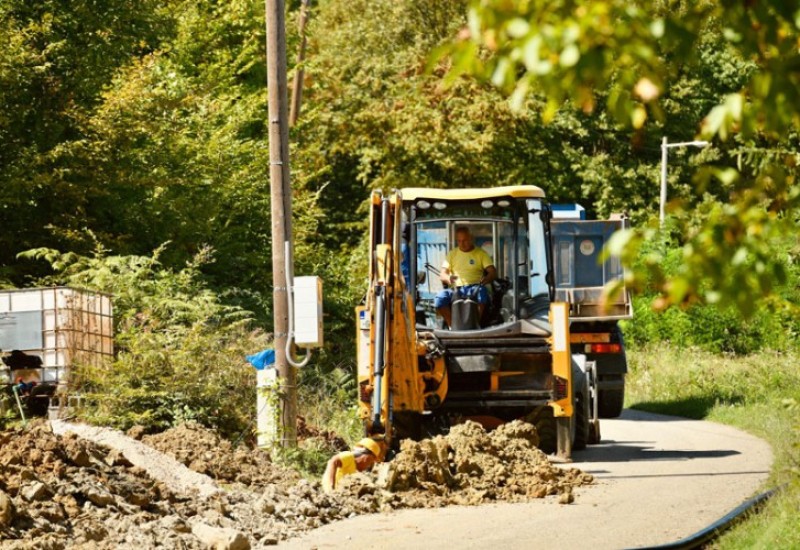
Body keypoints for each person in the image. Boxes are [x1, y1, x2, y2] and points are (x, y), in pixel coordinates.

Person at [435, 226, 497, 327]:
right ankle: (452, 326)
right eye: (459, 241)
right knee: (440, 298)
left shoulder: (481, 254)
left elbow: (492, 272)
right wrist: (448, 278)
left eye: (465, 240)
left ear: (471, 238)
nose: (462, 244)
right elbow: (442, 274)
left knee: (482, 293)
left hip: (475, 287)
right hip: (455, 289)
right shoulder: (452, 254)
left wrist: (487, 278)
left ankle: (475, 324)